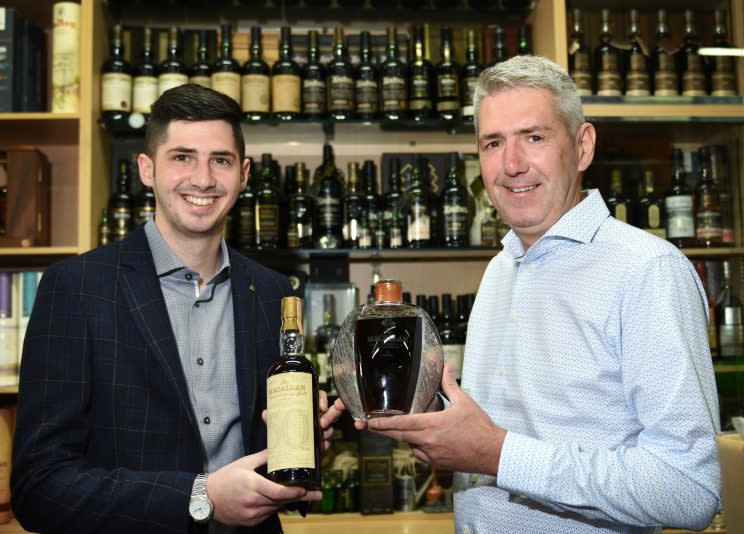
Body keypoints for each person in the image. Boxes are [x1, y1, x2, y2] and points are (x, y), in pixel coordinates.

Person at [355, 56, 721, 533]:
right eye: (493, 143)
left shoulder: (647, 271)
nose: (511, 165)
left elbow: (688, 490)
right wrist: (431, 422)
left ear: (583, 146)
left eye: (534, 137)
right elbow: (503, 430)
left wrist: (498, 454)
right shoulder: (501, 268)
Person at [11, 83, 342, 533]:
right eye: (182, 157)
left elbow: (261, 459)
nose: (203, 179)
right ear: (147, 169)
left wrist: (299, 448)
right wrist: (197, 498)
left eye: (220, 160)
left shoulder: (272, 292)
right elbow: (40, 486)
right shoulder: (75, 288)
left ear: (243, 174)